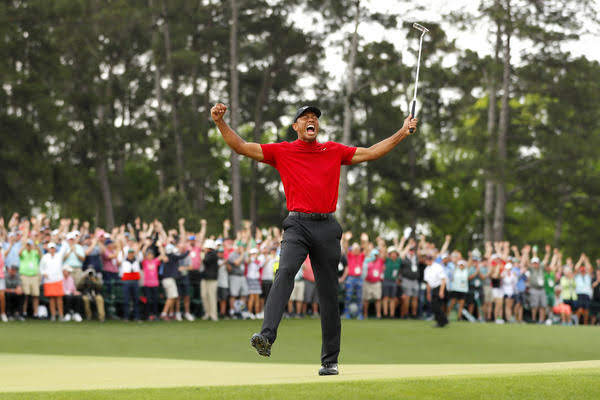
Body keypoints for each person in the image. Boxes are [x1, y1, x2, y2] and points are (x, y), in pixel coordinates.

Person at [211, 102, 418, 375]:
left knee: (329, 293)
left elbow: (371, 153)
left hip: (327, 226)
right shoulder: (282, 151)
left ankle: (330, 360)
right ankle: (266, 336)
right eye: (305, 118)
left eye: (315, 118)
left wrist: (402, 132)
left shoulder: (332, 150)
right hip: (297, 224)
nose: (311, 121)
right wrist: (220, 122)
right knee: (284, 272)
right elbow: (241, 146)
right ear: (296, 126)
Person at [39, 242, 65, 321]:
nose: (52, 249)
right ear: (48, 249)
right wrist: (44, 273)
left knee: (59, 298)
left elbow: (64, 247)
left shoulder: (59, 256)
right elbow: (41, 268)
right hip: (49, 280)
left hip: (58, 279)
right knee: (52, 298)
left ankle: (61, 315)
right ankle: (53, 315)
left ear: (55, 248)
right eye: (51, 248)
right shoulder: (45, 257)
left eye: (53, 248)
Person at [141, 242, 166, 321]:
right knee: (148, 300)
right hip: (147, 284)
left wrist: (160, 246)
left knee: (155, 300)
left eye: (151, 254)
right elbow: (142, 253)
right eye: (148, 255)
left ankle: (155, 315)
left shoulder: (155, 261)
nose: (150, 256)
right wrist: (146, 245)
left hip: (155, 284)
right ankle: (148, 315)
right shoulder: (145, 262)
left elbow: (162, 256)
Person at [340, 242, 366, 320]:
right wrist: (347, 240)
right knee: (348, 296)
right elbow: (345, 247)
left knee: (359, 297)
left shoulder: (361, 256)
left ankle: (359, 314)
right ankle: (346, 313)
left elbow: (366, 249)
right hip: (351, 278)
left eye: (357, 249)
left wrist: (365, 241)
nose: (356, 250)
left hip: (359, 278)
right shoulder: (349, 256)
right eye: (354, 249)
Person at [18, 238, 41, 318]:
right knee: (25, 295)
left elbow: (40, 255)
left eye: (29, 245)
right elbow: (19, 253)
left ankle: (36, 313)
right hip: (25, 276)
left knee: (35, 295)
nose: (28, 246)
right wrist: (24, 246)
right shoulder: (23, 252)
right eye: (27, 245)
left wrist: (36, 245)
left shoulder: (35, 252)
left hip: (34, 276)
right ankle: (24, 312)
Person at [424, 254, 448, 327]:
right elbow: (428, 283)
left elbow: (443, 280)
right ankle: (443, 320)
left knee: (436, 305)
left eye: (429, 259)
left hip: (440, 287)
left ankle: (442, 321)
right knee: (434, 305)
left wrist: (441, 291)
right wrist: (428, 293)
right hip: (434, 288)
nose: (428, 261)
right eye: (427, 259)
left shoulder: (437, 267)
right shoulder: (426, 269)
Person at [120, 247, 141, 321]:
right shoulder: (124, 261)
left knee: (136, 299)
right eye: (129, 253)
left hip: (135, 281)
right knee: (126, 300)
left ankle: (136, 317)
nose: (131, 255)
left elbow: (139, 249)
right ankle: (126, 317)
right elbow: (121, 251)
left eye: (132, 253)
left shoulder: (137, 260)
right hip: (127, 281)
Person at [362, 249, 384, 319]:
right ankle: (365, 315)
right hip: (367, 282)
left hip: (377, 282)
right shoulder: (367, 261)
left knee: (378, 299)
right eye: (375, 255)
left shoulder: (380, 261)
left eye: (377, 255)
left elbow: (383, 254)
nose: (376, 256)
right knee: (366, 299)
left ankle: (378, 315)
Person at [201, 239, 219, 321]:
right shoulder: (208, 254)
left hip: (212, 279)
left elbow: (206, 261)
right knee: (204, 296)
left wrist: (203, 254)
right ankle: (207, 313)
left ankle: (213, 314)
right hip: (205, 278)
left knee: (211, 297)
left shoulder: (213, 254)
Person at [574, 254, 593, 325]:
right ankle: (577, 323)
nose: (583, 272)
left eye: (583, 271)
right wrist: (581, 260)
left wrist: (585, 261)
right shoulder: (577, 276)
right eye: (581, 271)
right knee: (580, 309)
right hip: (579, 294)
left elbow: (590, 268)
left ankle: (585, 324)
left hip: (587, 294)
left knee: (586, 310)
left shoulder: (588, 276)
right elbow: (576, 268)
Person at [382, 247, 401, 318]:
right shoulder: (387, 260)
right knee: (385, 297)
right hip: (386, 280)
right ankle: (385, 313)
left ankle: (392, 314)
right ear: (389, 254)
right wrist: (382, 245)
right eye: (392, 253)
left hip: (394, 281)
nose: (393, 255)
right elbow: (383, 255)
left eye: (395, 253)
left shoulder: (398, 261)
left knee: (393, 298)